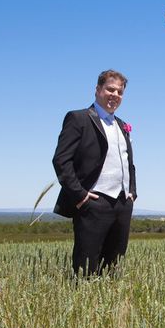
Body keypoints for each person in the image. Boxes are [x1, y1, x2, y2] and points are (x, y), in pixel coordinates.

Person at [53, 70, 136, 276]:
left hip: (122, 203)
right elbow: (61, 160)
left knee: (113, 266)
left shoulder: (122, 125)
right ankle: (83, 305)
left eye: (119, 92)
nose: (115, 94)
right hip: (93, 201)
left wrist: (132, 193)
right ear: (98, 89)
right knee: (86, 267)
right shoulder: (79, 118)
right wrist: (80, 195)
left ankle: (109, 306)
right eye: (110, 89)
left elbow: (129, 163)